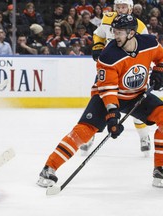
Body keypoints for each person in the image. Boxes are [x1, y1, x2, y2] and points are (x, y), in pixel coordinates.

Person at [37, 14, 163, 188]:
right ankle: (49, 168)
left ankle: (160, 169)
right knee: (83, 131)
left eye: (119, 32)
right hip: (107, 96)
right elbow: (108, 88)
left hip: (137, 95)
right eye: (114, 31)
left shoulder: (150, 43)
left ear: (132, 33)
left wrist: (159, 72)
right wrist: (112, 115)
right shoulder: (109, 55)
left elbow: (161, 58)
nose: (114, 36)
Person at [87, 0, 150, 155]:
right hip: (109, 69)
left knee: (137, 107)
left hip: (129, 72)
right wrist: (97, 46)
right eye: (118, 7)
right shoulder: (108, 19)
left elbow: (145, 51)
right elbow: (98, 34)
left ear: (130, 9)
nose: (121, 10)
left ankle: (144, 136)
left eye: (124, 7)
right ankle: (89, 137)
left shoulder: (140, 27)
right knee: (97, 104)